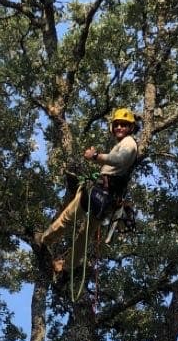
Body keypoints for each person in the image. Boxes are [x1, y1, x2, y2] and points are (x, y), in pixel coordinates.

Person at [36, 108, 139, 283]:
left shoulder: (129, 143)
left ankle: (44, 240)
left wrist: (95, 156)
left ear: (131, 128)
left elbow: (119, 160)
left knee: (68, 218)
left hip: (100, 193)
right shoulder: (124, 143)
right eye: (117, 125)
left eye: (124, 125)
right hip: (106, 198)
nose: (120, 127)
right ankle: (66, 266)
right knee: (84, 236)